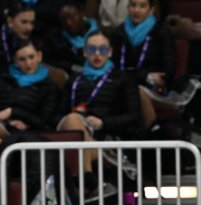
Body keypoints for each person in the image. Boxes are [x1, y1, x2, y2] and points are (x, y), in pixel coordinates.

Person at [58, 29, 141, 174]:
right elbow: (57, 114)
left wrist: (103, 123)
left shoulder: (122, 78)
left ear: (109, 52)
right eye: (92, 49)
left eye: (102, 49)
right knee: (72, 119)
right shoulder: (74, 80)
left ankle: (86, 178)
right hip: (73, 132)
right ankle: (89, 177)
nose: (97, 54)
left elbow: (134, 116)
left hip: (107, 139)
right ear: (84, 52)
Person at [0, 37, 62, 148]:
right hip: (3, 127)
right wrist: (9, 121)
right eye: (22, 59)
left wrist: (12, 112)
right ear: (15, 61)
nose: (28, 63)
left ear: (39, 56)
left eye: (31, 57)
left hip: (31, 134)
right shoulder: (1, 80)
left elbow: (44, 122)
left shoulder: (49, 87)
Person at [109, 0, 175, 130]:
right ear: (128, 8)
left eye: (142, 6)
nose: (137, 10)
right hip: (122, 84)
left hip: (152, 88)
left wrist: (136, 75)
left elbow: (167, 72)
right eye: (133, 5)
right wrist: (144, 74)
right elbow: (113, 68)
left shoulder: (162, 33)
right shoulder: (118, 33)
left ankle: (152, 135)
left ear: (151, 10)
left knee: (137, 92)